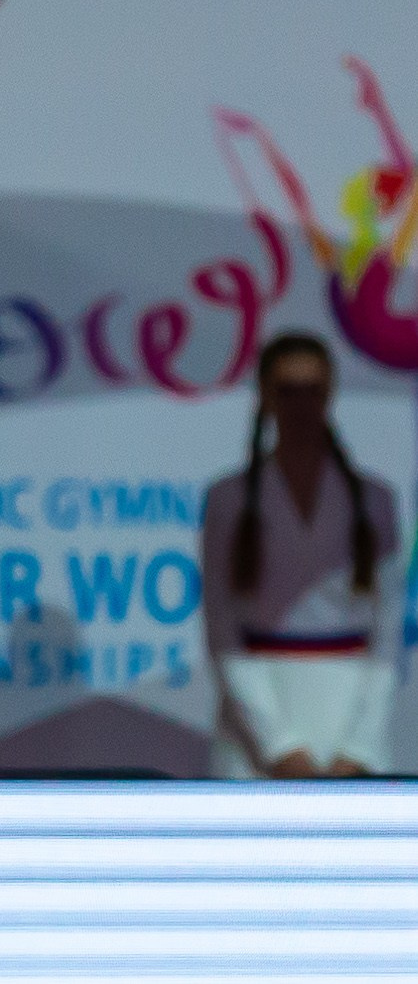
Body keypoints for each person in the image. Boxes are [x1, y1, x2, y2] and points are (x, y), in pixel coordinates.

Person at [200, 332, 407, 778]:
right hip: (256, 730)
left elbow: (388, 635)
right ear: (266, 398)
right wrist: (280, 748)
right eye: (287, 391)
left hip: (350, 724)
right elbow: (222, 630)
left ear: (330, 394)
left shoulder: (375, 500)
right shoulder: (229, 498)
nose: (301, 405)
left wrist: (357, 748)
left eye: (313, 390)